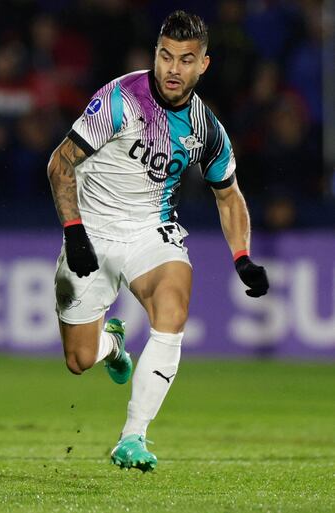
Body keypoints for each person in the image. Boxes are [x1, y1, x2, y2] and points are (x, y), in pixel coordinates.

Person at [47, 11, 269, 472]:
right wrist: (74, 231)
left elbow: (229, 197)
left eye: (185, 60)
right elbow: (60, 163)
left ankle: (133, 437)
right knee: (78, 359)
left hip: (152, 230)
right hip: (91, 230)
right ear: (155, 53)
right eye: (165, 56)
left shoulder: (206, 129)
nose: (172, 68)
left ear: (202, 65)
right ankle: (112, 346)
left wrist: (243, 257)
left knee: (172, 308)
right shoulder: (120, 99)